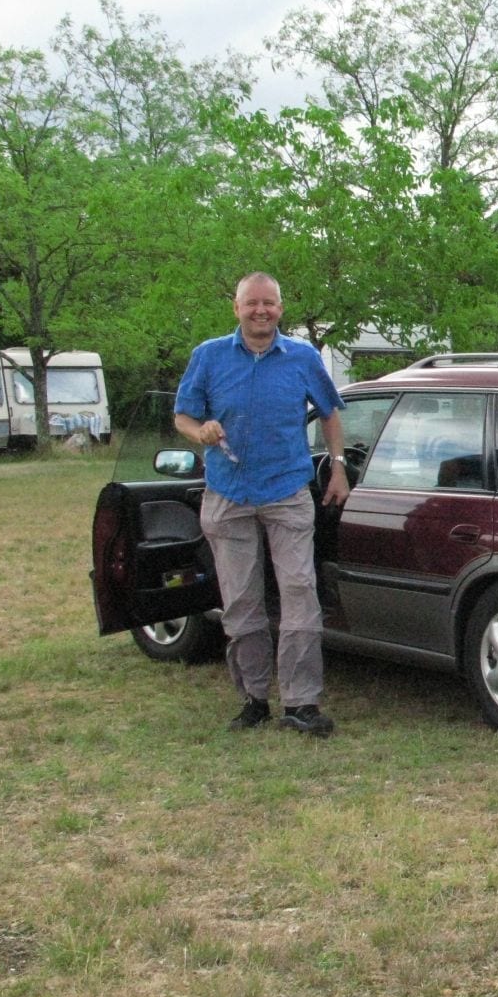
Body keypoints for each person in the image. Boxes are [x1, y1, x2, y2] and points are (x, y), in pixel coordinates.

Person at [174, 273, 349, 735]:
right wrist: (200, 430)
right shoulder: (208, 356)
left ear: (280, 308)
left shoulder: (303, 357)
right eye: (252, 303)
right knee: (241, 602)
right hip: (227, 493)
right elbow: (182, 416)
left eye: (269, 303)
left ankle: (301, 703)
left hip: (287, 492)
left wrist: (338, 467)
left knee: (300, 593)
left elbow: (330, 413)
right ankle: (253, 699)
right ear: (236, 308)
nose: (260, 311)